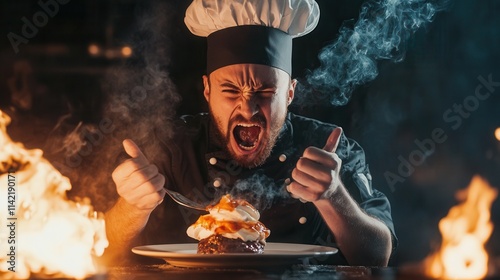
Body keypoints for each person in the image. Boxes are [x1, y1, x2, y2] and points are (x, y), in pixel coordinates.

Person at [104, 0, 396, 266]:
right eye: (230, 90)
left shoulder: (329, 149)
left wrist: (334, 197)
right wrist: (131, 207)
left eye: (266, 91)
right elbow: (108, 251)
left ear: (290, 93)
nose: (247, 108)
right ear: (207, 91)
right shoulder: (168, 147)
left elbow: (377, 256)